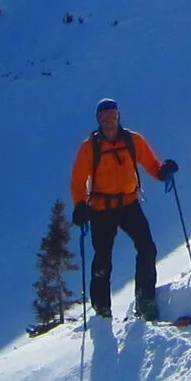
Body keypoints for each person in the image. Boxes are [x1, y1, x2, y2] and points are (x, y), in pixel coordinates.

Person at [68, 97, 177, 320]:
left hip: (129, 204)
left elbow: (152, 165)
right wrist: (79, 205)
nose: (109, 120)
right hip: (101, 209)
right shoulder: (89, 148)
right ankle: (102, 308)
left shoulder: (133, 140)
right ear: (98, 119)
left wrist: (163, 171)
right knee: (103, 259)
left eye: (112, 115)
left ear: (118, 116)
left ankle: (145, 299)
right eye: (104, 116)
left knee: (147, 248)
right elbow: (77, 181)